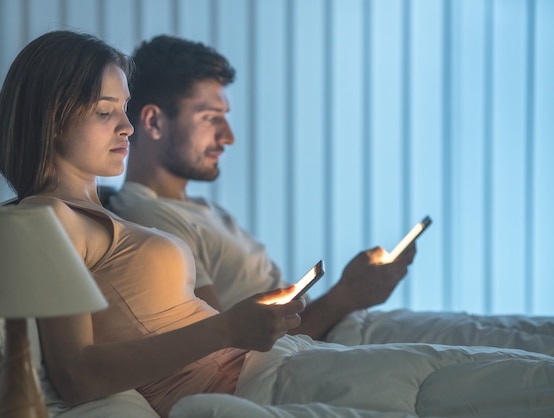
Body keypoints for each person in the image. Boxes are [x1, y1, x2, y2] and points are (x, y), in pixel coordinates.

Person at [0, 30, 554, 418]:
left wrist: (249, 325)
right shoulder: (46, 218)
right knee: (510, 385)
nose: (127, 127)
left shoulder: (94, 212)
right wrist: (226, 329)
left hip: (275, 363)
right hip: (252, 380)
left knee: (503, 372)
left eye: (124, 108)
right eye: (104, 111)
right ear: (51, 113)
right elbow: (78, 375)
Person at [108, 35, 554, 354]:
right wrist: (347, 294)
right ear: (153, 122)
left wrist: (348, 298)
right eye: (210, 117)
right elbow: (229, 350)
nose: (228, 136)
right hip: (324, 342)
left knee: (519, 334)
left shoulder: (202, 208)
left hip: (342, 328)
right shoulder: (152, 220)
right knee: (514, 356)